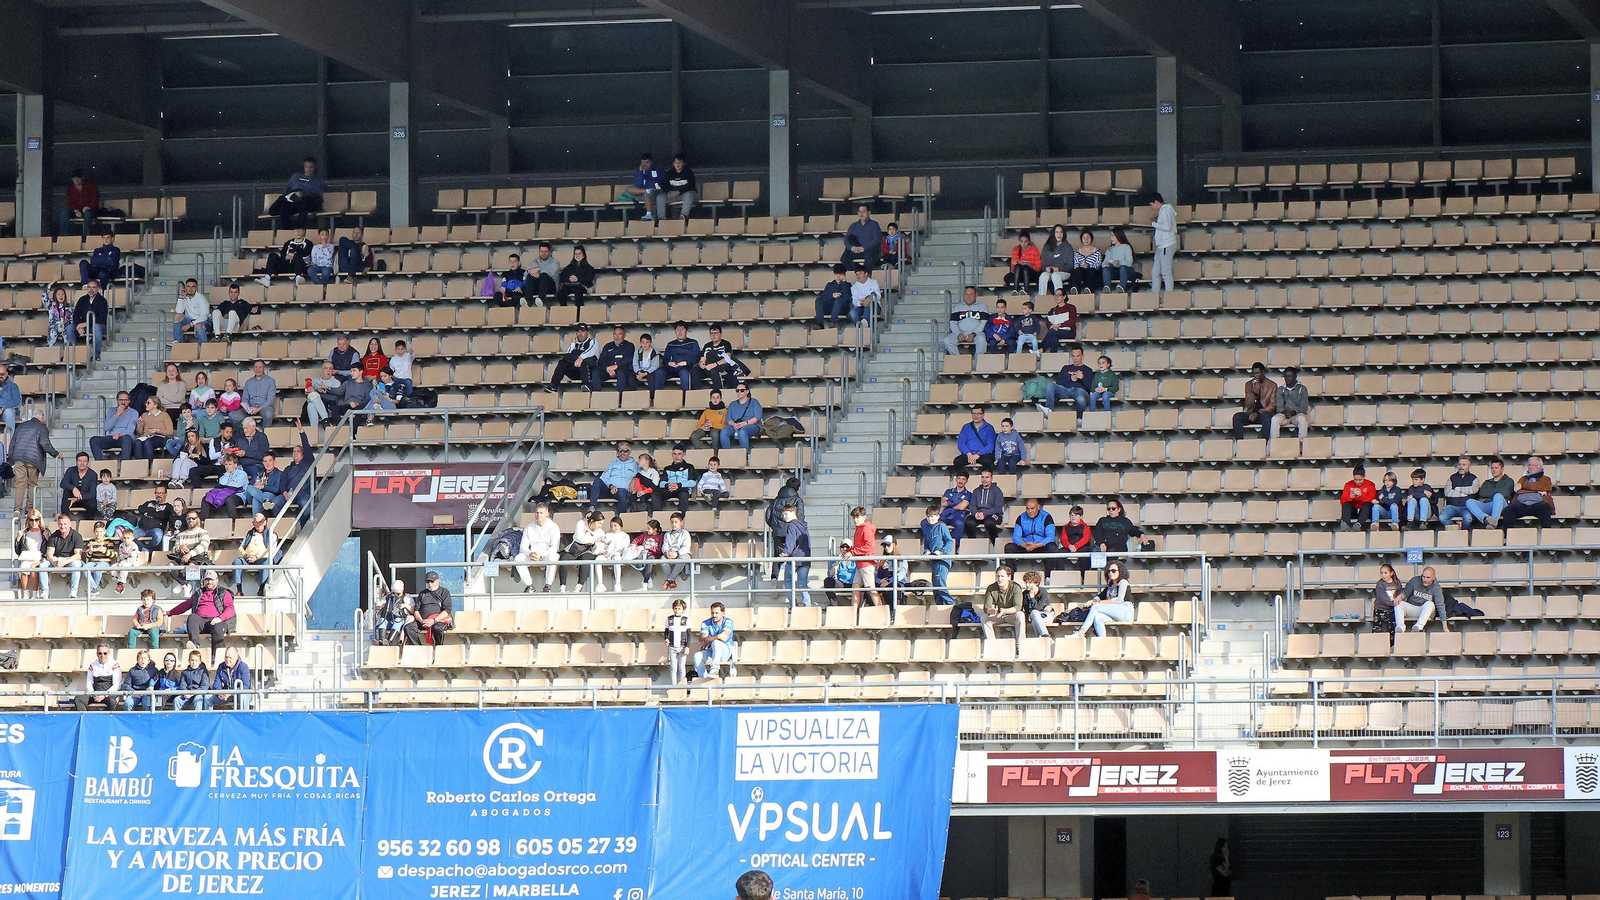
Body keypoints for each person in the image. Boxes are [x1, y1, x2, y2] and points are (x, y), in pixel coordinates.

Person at [167, 569, 236, 660]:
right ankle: (194, 644)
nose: (209, 582)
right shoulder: (199, 593)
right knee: (192, 617)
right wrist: (169, 613)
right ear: (204, 581)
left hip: (218, 621)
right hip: (202, 621)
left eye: (212, 579)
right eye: (207, 580)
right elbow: (185, 605)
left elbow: (230, 609)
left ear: (217, 580)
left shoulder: (224, 593)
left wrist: (220, 618)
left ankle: (216, 656)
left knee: (218, 627)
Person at [8, 409, 61, 515]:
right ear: (42, 417)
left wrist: (11, 459)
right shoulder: (41, 427)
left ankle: (17, 509)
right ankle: (29, 509)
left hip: (18, 458)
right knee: (31, 484)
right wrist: (55, 454)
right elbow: (45, 444)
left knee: (20, 483)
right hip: (33, 459)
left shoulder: (21, 426)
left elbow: (12, 443)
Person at [965, 565, 1024, 642]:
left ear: (1009, 577)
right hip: (997, 615)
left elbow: (1018, 607)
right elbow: (986, 608)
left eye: (1002, 576)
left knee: (1020, 615)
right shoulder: (991, 588)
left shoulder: (1016, 587)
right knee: (984, 618)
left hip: (1011, 615)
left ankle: (1021, 644)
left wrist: (1005, 611)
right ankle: (992, 644)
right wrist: (992, 611)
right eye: (998, 576)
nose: (1000, 579)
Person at [1077, 561, 1134, 637]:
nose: (1111, 573)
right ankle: (1103, 640)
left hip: (1125, 610)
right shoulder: (1110, 585)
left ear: (1120, 571)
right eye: (1109, 571)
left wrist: (1099, 603)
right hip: (1115, 612)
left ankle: (1081, 631)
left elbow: (1119, 600)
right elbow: (1100, 596)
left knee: (1096, 607)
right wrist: (1090, 601)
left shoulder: (1123, 582)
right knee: (1098, 617)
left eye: (1114, 571)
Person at [165, 510, 213, 598]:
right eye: (188, 518)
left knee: (192, 566)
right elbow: (174, 549)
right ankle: (185, 583)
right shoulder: (181, 535)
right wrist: (180, 547)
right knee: (170, 565)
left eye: (193, 518)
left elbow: (203, 546)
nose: (190, 520)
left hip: (199, 558)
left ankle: (186, 586)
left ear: (198, 519)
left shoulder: (203, 532)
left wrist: (189, 554)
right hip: (183, 558)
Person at [515, 503, 562, 592]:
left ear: (547, 513)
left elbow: (554, 547)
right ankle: (529, 586)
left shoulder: (553, 527)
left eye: (541, 513)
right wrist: (530, 553)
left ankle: (548, 586)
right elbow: (523, 546)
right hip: (533, 554)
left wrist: (541, 554)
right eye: (537, 513)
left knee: (554, 556)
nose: (539, 515)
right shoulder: (529, 527)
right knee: (518, 558)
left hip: (546, 553)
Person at [558, 509, 606, 593]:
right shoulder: (581, 524)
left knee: (586, 560)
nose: (600, 526)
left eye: (601, 524)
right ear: (592, 521)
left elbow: (600, 548)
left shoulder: (601, 532)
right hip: (575, 549)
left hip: (589, 551)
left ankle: (579, 587)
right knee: (564, 559)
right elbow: (578, 537)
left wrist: (593, 543)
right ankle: (562, 586)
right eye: (599, 523)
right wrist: (594, 540)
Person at [269, 156, 325, 228]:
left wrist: (302, 193)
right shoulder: (296, 176)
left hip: (307, 201)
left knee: (304, 204)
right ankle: (287, 230)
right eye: (306, 167)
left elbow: (317, 195)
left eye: (311, 167)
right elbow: (287, 188)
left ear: (315, 167)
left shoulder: (317, 181)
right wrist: (289, 195)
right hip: (293, 200)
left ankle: (299, 229)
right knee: (283, 206)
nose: (308, 169)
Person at [1005, 497, 1058, 573]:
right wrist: (1025, 545)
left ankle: (1048, 576)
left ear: (1038, 507)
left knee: (1052, 547)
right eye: (1027, 509)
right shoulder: (1021, 517)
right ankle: (1011, 576)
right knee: (1009, 547)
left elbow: (1050, 537)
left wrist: (1036, 545)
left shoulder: (1047, 517)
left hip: (1040, 546)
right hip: (1027, 546)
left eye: (1032, 508)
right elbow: (1016, 537)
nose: (1030, 511)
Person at [1502, 456, 1557, 528]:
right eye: (1529, 465)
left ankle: (1546, 534)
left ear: (1539, 467)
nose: (1530, 467)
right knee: (1508, 510)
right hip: (1522, 505)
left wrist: (1523, 486)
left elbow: (1541, 486)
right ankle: (1507, 536)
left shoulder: (1545, 479)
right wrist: (1536, 490)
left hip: (1537, 504)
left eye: (1533, 465)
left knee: (1545, 508)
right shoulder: (1523, 478)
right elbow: (1517, 489)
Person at [844, 506, 881, 612]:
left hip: (866, 563)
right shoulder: (861, 528)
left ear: (864, 517)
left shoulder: (865, 528)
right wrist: (849, 551)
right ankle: (854, 613)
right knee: (856, 587)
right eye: (854, 518)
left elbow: (870, 547)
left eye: (857, 517)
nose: (855, 520)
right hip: (860, 563)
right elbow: (862, 546)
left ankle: (881, 612)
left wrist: (852, 552)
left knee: (871, 588)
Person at [1039, 346, 1094, 415]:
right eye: (1073, 356)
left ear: (1082, 356)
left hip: (1079, 391)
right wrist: (1070, 379)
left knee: (1081, 400)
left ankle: (1080, 418)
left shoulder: (1088, 370)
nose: (1075, 358)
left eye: (1078, 356)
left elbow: (1090, 387)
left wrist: (1082, 378)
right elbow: (1059, 382)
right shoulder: (1066, 368)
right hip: (1065, 390)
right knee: (1050, 385)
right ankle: (1048, 409)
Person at [232, 513, 276, 595]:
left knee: (266, 563)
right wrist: (245, 555)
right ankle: (239, 590)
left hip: (261, 559)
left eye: (261, 522)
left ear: (265, 522)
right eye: (255, 522)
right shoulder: (249, 534)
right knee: (236, 562)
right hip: (247, 558)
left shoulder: (271, 534)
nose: (258, 525)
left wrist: (256, 557)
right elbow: (240, 548)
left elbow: (270, 549)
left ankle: (261, 589)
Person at [43, 512, 86, 598]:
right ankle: (45, 592)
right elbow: (49, 554)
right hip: (57, 559)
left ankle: (74, 592)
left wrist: (64, 562)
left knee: (77, 564)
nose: (62, 526)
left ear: (70, 524)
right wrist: (55, 562)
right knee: (42, 566)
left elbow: (78, 555)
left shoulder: (76, 536)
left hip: (71, 559)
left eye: (65, 524)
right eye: (60, 524)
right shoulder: (54, 536)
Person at [546, 324, 599, 393]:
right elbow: (567, 356)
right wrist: (573, 343)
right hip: (575, 371)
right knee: (563, 362)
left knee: (585, 360)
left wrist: (581, 358)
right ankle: (553, 385)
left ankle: (587, 385)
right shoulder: (575, 344)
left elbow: (591, 352)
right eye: (578, 331)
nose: (580, 334)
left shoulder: (593, 341)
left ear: (588, 332)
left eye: (583, 331)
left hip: (588, 371)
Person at [588, 442, 639, 512]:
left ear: (630, 452)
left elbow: (642, 475)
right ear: (617, 453)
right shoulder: (612, 464)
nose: (622, 453)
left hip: (624, 491)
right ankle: (592, 507)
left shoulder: (636, 465)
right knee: (597, 480)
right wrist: (611, 486)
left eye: (625, 451)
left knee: (622, 492)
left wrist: (634, 479)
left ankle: (621, 518)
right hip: (610, 489)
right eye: (620, 451)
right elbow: (604, 478)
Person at [405, 571, 453, 645]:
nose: (430, 584)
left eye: (432, 581)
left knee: (436, 628)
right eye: (428, 582)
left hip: (438, 621)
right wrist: (421, 621)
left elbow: (447, 610)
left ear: (438, 581)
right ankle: (420, 648)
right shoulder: (422, 593)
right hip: (424, 621)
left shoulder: (444, 592)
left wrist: (434, 620)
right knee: (408, 628)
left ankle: (438, 647)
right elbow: (416, 610)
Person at [1232, 362, 1277, 440]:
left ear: (1263, 372)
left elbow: (1272, 405)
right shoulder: (1249, 384)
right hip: (1251, 413)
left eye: (1257, 373)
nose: (1255, 375)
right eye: (1254, 373)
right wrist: (1254, 393)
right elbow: (1248, 404)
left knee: (1267, 417)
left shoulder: (1272, 385)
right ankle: (1240, 442)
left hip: (1263, 413)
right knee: (1237, 417)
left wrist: (1258, 412)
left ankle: (1264, 443)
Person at [920, 503, 955, 605]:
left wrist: (941, 551)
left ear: (938, 516)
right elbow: (927, 544)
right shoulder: (929, 530)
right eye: (928, 516)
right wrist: (926, 551)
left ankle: (952, 606)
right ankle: (939, 608)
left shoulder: (941, 526)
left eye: (933, 516)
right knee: (935, 587)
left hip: (942, 560)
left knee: (940, 584)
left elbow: (950, 542)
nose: (930, 519)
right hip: (934, 561)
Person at [1396, 565, 1448, 633]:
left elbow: (1440, 605)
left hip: (1425, 610)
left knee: (1430, 604)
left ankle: (1418, 627)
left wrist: (1445, 627)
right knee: (1398, 603)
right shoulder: (1415, 580)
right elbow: (1406, 592)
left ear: (1433, 578)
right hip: (1412, 607)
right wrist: (1400, 596)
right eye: (1423, 577)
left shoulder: (1437, 588)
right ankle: (1400, 628)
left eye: (1428, 577)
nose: (1425, 579)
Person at [89, 391, 138, 461]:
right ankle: (100, 463)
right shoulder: (111, 411)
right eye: (121, 400)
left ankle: (125, 464)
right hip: (112, 437)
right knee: (94, 440)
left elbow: (130, 429)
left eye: (125, 400)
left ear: (129, 401)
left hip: (124, 437)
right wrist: (117, 415)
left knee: (126, 438)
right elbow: (106, 427)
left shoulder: (134, 412)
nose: (123, 402)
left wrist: (120, 434)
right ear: (117, 401)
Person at [778, 502, 811, 606]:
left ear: (793, 513)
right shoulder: (803, 526)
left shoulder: (792, 526)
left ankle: (794, 605)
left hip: (793, 559)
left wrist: (786, 552)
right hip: (805, 559)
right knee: (802, 585)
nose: (784, 517)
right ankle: (807, 606)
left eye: (786, 514)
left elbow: (790, 541)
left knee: (788, 582)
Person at [1467, 457, 1514, 527]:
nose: (1494, 470)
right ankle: (1486, 518)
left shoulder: (1508, 481)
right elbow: (1482, 493)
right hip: (1488, 505)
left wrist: (1491, 493)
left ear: (1502, 469)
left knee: (1498, 496)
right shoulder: (1487, 482)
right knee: (1469, 501)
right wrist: (1497, 491)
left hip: (1502, 505)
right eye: (1492, 468)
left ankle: (1493, 522)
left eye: (1496, 468)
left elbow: (1505, 493)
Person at [697, 324, 745, 392]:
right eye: (712, 333)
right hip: (708, 367)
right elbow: (703, 358)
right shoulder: (707, 345)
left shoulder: (726, 344)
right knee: (695, 370)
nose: (713, 335)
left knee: (714, 371)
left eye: (716, 333)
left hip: (722, 366)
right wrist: (702, 363)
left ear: (721, 334)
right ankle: (696, 392)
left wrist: (715, 364)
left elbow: (728, 358)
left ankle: (718, 393)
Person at [74, 644, 122, 712]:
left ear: (109, 653)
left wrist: (104, 695)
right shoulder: (92, 665)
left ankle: (109, 721)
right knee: (78, 699)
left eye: (105, 653)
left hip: (108, 694)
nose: (102, 656)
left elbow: (117, 685)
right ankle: (85, 719)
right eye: (100, 653)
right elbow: (89, 683)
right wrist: (93, 694)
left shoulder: (115, 665)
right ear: (97, 654)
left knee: (112, 701)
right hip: (95, 693)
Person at [693, 602, 734, 680]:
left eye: (716, 613)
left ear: (723, 613)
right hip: (711, 651)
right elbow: (704, 640)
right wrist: (718, 636)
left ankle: (715, 669)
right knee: (697, 656)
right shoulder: (705, 623)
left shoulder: (728, 621)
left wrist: (710, 639)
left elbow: (724, 637)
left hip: (726, 651)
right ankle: (703, 679)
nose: (714, 615)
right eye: (712, 613)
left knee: (716, 642)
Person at [944, 286, 989, 356]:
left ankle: (976, 364)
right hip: (960, 333)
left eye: (971, 294)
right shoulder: (957, 307)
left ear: (976, 295)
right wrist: (958, 334)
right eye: (966, 294)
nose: (968, 296)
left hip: (977, 333)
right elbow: (952, 323)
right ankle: (960, 361)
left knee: (982, 340)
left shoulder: (982, 306)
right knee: (947, 340)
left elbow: (984, 323)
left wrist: (974, 334)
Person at [952, 406, 996, 475]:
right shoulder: (966, 427)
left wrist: (978, 454)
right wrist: (968, 453)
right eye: (974, 413)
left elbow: (990, 445)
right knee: (957, 461)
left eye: (978, 413)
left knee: (988, 461)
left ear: (983, 415)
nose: (976, 416)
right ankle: (963, 479)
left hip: (982, 454)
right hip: (969, 454)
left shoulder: (989, 428)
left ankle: (984, 482)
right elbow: (961, 443)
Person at [967, 469, 1006, 544]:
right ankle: (972, 544)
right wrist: (976, 513)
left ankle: (995, 543)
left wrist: (984, 513)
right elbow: (972, 506)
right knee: (969, 522)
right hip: (978, 514)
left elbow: (997, 508)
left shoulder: (997, 491)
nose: (984, 480)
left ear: (991, 478)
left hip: (992, 514)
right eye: (982, 477)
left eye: (987, 477)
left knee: (989, 522)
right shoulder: (976, 491)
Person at [73, 278, 110, 360]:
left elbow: (101, 319)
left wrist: (86, 324)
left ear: (98, 289)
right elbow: (75, 316)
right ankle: (72, 354)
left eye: (93, 287)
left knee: (96, 327)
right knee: (69, 328)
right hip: (83, 326)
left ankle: (96, 355)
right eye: (89, 287)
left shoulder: (102, 301)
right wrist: (78, 326)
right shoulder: (82, 300)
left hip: (98, 326)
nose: (91, 289)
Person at [1148, 193, 1177, 295]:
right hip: (1162, 246)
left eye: (1152, 204)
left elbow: (1167, 227)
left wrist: (1154, 224)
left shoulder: (1165, 210)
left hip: (1167, 244)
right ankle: (1154, 294)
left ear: (1156, 202)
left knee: (1165, 271)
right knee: (1155, 271)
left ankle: (1169, 294)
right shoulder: (1163, 211)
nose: (1152, 207)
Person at [1438, 457, 1478, 529]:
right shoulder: (1451, 478)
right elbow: (1447, 492)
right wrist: (1465, 493)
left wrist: (1456, 489)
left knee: (1468, 519)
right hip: (1451, 506)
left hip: (1466, 507)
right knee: (1442, 518)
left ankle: (1462, 532)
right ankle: (1456, 528)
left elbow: (1473, 490)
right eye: (1460, 464)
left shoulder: (1474, 478)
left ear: (1469, 466)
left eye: (1464, 464)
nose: (1461, 467)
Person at [659, 322, 700, 393]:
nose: (679, 332)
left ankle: (685, 397)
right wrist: (669, 363)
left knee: (684, 373)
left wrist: (686, 363)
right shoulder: (671, 344)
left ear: (686, 331)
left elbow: (696, 357)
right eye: (677, 330)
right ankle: (657, 396)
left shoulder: (693, 343)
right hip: (672, 368)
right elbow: (665, 359)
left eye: (682, 329)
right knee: (659, 372)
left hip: (685, 367)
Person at [593, 326, 636, 393]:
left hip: (622, 370)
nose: (617, 336)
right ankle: (596, 395)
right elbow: (602, 359)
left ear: (624, 335)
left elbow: (629, 359)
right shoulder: (608, 346)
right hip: (608, 371)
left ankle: (620, 398)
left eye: (619, 334)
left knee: (621, 372)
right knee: (596, 373)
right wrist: (607, 368)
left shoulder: (629, 345)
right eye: (615, 334)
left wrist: (617, 366)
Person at [14, 510, 46, 599]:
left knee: (33, 568)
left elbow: (48, 548)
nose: (34, 522)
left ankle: (35, 594)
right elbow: (17, 551)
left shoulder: (44, 532)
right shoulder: (25, 533)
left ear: (40, 520)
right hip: (27, 556)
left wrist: (47, 538)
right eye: (31, 520)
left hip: (40, 557)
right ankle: (26, 593)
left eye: (36, 519)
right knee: (24, 568)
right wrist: (18, 539)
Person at [625, 519, 665, 590]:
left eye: (649, 528)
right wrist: (634, 544)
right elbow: (637, 540)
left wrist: (650, 548)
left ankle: (645, 581)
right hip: (644, 554)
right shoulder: (645, 535)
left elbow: (659, 550)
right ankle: (648, 578)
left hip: (653, 555)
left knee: (650, 560)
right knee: (638, 561)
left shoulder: (660, 538)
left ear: (655, 529)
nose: (648, 530)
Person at [720, 383, 762, 450]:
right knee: (724, 431)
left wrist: (744, 423)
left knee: (742, 431)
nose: (739, 392)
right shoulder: (733, 404)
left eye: (742, 390)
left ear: (747, 391)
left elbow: (757, 417)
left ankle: (745, 455)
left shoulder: (754, 402)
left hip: (751, 425)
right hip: (735, 425)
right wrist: (733, 424)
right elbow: (728, 419)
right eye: (737, 390)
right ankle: (726, 454)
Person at [60, 168, 100, 237]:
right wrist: (75, 210)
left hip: (90, 210)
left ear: (82, 177)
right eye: (74, 178)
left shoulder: (90, 186)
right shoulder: (70, 189)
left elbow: (95, 198)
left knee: (87, 213)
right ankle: (64, 236)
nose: (76, 180)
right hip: (77, 211)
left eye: (78, 178)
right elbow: (69, 202)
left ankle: (86, 236)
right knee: (64, 213)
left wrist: (89, 206)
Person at [210, 645, 252, 711]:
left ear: (236, 657)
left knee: (243, 696)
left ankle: (244, 719)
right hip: (225, 695)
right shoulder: (221, 667)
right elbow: (216, 684)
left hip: (239, 694)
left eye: (230, 657)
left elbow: (246, 686)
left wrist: (230, 693)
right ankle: (209, 719)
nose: (227, 660)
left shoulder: (244, 667)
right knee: (207, 697)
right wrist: (221, 693)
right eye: (226, 657)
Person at [238, 359, 278, 428]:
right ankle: (240, 436)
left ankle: (264, 436)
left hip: (265, 407)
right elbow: (244, 399)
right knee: (234, 416)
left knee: (268, 415)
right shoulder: (248, 382)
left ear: (264, 368)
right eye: (256, 367)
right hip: (250, 407)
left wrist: (259, 409)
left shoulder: (271, 381)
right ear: (253, 369)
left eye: (260, 367)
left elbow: (270, 400)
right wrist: (247, 408)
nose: (258, 369)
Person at [842, 204, 883, 272]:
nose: (861, 214)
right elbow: (846, 239)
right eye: (860, 211)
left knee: (871, 259)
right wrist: (851, 248)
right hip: (856, 249)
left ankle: (865, 275)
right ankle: (859, 271)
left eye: (864, 211)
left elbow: (876, 240)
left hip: (869, 250)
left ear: (869, 213)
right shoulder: (853, 226)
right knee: (844, 259)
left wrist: (864, 248)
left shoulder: (874, 225)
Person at [595, 516, 631, 593]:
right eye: (611, 526)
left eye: (615, 526)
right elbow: (602, 545)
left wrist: (617, 553)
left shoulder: (625, 536)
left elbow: (624, 547)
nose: (613, 528)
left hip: (618, 555)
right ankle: (600, 584)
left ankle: (617, 584)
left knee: (616, 559)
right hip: (608, 555)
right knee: (597, 560)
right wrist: (604, 552)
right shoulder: (607, 535)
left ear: (620, 525)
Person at [555, 245, 596, 310]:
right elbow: (562, 277)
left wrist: (578, 279)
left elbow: (589, 279)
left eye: (579, 254)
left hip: (581, 286)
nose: (577, 255)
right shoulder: (569, 267)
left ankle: (578, 314)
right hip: (569, 286)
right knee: (560, 293)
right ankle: (564, 310)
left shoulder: (589, 268)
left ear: (583, 255)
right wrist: (570, 279)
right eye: (576, 254)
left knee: (579, 293)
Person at [372, 580, 412, 645]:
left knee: (398, 620)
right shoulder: (388, 597)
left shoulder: (407, 597)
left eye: (398, 593)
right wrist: (383, 606)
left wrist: (405, 605)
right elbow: (375, 606)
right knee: (382, 619)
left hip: (400, 619)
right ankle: (381, 640)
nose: (395, 595)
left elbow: (413, 610)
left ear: (402, 590)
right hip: (388, 619)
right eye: (394, 593)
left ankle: (389, 641)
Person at [660, 445, 698, 514]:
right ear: (672, 455)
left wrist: (679, 485)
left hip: (683, 489)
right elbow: (661, 483)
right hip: (670, 489)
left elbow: (693, 482)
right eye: (675, 454)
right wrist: (668, 485)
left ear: (683, 454)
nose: (677, 456)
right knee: (655, 493)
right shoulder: (667, 468)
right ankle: (658, 515)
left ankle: (680, 518)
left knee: (684, 495)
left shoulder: (689, 467)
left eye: (679, 454)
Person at [132, 397, 173, 461]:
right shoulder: (144, 415)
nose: (146, 404)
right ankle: (140, 465)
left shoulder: (164, 415)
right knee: (137, 442)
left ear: (155, 405)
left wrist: (157, 430)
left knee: (147, 442)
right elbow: (139, 432)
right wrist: (140, 424)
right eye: (146, 402)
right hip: (145, 436)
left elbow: (170, 431)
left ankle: (149, 466)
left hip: (159, 437)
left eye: (148, 403)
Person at [83, 518, 116, 595]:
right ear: (94, 532)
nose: (99, 534)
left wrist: (104, 551)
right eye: (97, 532)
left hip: (104, 562)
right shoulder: (91, 541)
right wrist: (90, 551)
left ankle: (93, 588)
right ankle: (94, 587)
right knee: (84, 568)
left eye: (101, 532)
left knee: (98, 568)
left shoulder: (108, 541)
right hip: (93, 561)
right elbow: (87, 556)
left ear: (105, 532)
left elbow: (112, 555)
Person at [1039, 287, 1079, 352]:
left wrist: (1059, 325)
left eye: (1059, 295)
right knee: (1054, 338)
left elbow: (1072, 321)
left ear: (1064, 296)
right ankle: (1053, 355)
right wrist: (1051, 326)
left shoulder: (1071, 307)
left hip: (1069, 332)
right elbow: (1047, 321)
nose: (1056, 297)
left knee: (1052, 332)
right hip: (1056, 331)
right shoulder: (1053, 310)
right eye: (1055, 295)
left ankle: (1041, 349)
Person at [1370, 563, 1405, 635]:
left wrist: (1398, 600)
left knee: (1392, 627)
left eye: (1385, 573)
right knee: (1377, 627)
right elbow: (1383, 598)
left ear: (1391, 573)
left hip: (1392, 609)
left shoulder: (1397, 583)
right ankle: (1374, 642)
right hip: (1380, 608)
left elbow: (1400, 593)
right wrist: (1394, 603)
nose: (1383, 575)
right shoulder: (1380, 584)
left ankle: (1392, 644)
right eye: (1381, 573)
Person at [663, 598, 692, 684]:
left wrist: (687, 646)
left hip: (682, 646)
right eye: (675, 608)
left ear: (683, 610)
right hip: (672, 647)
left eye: (679, 608)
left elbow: (689, 634)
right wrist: (666, 638)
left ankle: (682, 684)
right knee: (673, 667)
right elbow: (666, 632)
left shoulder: (686, 620)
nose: (677, 610)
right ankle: (673, 685)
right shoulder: (669, 619)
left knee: (682, 667)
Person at [172, 278, 209, 344]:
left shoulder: (201, 298)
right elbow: (179, 311)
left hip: (203, 322)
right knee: (177, 316)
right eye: (188, 286)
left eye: (193, 287)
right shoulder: (185, 297)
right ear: (186, 287)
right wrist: (181, 297)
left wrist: (190, 325)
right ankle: (177, 341)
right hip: (189, 320)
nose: (190, 289)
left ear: (196, 288)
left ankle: (204, 347)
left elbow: (204, 317)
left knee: (198, 325)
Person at [814, 264, 852, 329]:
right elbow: (823, 297)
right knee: (818, 300)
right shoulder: (830, 285)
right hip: (830, 307)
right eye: (836, 274)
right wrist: (832, 296)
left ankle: (833, 321)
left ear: (844, 275)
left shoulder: (847, 285)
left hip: (842, 308)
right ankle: (820, 323)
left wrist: (844, 283)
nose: (838, 277)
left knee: (838, 299)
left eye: (840, 274)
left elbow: (847, 297)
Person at [661, 153, 697, 221]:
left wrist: (678, 192)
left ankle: (683, 216)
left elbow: (691, 186)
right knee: (660, 197)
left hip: (684, 196)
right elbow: (664, 185)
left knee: (689, 194)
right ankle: (661, 218)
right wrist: (668, 192)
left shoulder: (688, 173)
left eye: (679, 162)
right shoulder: (670, 173)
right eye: (676, 162)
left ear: (684, 164)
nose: (677, 164)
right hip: (673, 197)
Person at [662, 511, 692, 590]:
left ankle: (669, 580)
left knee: (683, 559)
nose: (674, 524)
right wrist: (666, 553)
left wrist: (677, 553)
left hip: (683, 554)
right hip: (670, 554)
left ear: (681, 523)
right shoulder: (667, 534)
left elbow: (686, 547)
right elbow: (665, 546)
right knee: (662, 559)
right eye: (672, 522)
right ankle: (672, 580)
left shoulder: (685, 533)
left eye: (676, 522)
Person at [1339, 465, 1376, 529]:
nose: (1357, 482)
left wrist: (1361, 495)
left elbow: (1372, 500)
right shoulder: (1348, 484)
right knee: (1346, 503)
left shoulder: (1370, 485)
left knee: (1367, 504)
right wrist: (1350, 497)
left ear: (1364, 477)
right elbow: (1342, 500)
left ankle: (1359, 524)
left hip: (1365, 512)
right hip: (1354, 510)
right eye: (1355, 480)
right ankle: (1346, 524)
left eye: (1360, 480)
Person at [1067, 230, 1103, 295]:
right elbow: (1076, 265)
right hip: (1081, 271)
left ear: (1091, 238)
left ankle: (1088, 289)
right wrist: (1082, 266)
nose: (1086, 239)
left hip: (1092, 271)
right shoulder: (1077, 252)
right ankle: (1075, 289)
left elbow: (1098, 264)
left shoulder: (1097, 251)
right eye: (1084, 238)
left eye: (1088, 237)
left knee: (1091, 271)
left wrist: (1088, 265)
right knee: (1078, 271)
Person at [1037, 224, 1070, 296]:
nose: (1059, 234)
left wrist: (1059, 268)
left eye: (1061, 232)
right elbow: (1043, 263)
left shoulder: (1068, 247)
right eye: (1057, 232)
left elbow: (1070, 266)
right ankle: (1041, 298)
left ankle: (1060, 298)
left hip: (1063, 272)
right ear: (1053, 234)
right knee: (1043, 275)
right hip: (1050, 272)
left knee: (1055, 275)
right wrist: (1046, 268)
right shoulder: (1047, 247)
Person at [60, 451, 96, 517]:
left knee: (92, 503)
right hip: (71, 497)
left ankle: (88, 523)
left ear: (88, 462)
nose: (82, 463)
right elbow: (63, 483)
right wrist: (73, 488)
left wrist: (77, 499)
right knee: (66, 492)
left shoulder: (92, 474)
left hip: (84, 499)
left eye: (84, 461)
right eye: (80, 461)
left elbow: (92, 494)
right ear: (76, 462)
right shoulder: (70, 470)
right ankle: (64, 521)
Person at [1020, 570, 1055, 637]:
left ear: (1036, 583)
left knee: (1034, 617)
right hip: (1034, 616)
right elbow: (1027, 610)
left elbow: (1037, 608)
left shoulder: (1043, 592)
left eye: (1030, 583)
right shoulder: (1025, 594)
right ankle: (1045, 637)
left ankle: (1044, 636)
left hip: (1046, 615)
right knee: (1034, 615)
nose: (1027, 585)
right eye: (1026, 583)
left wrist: (1032, 597)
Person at [939, 472, 972, 541]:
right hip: (946, 514)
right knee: (931, 523)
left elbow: (962, 507)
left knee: (960, 524)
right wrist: (956, 503)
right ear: (956, 479)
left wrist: (950, 503)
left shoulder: (968, 494)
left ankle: (955, 547)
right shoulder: (949, 491)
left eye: (963, 479)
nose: (960, 481)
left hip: (958, 516)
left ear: (966, 481)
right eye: (959, 478)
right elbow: (943, 503)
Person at [43, 282, 76, 350]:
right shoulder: (51, 305)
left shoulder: (69, 308)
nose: (61, 296)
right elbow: (44, 296)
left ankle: (68, 353)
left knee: (68, 333)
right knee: (52, 333)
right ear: (55, 296)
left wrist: (67, 321)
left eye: (62, 294)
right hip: (54, 326)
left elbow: (72, 320)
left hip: (65, 326)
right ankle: (48, 351)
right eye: (58, 294)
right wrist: (50, 284)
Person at [1102, 227, 1136, 292]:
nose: (1111, 238)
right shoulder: (1110, 249)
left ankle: (1122, 287)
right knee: (1105, 268)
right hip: (1115, 270)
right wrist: (1107, 263)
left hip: (1126, 270)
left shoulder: (1126, 247)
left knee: (1123, 268)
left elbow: (1129, 262)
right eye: (1111, 236)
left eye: (1113, 236)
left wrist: (1119, 262)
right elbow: (1104, 263)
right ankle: (1107, 287)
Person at [632, 152, 664, 220]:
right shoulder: (639, 172)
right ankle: (647, 190)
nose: (645, 164)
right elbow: (638, 185)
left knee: (647, 194)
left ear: (651, 162)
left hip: (655, 193)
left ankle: (649, 214)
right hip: (641, 193)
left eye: (647, 162)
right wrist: (641, 172)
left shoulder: (657, 170)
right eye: (643, 162)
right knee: (630, 189)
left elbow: (664, 182)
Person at [1060, 505, 1092, 571]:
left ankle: (1084, 576)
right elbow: (1063, 539)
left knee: (1084, 557)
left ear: (1081, 517)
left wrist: (1076, 546)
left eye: (1076, 515)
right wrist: (1069, 546)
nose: (1073, 517)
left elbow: (1086, 538)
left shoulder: (1085, 526)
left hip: (1082, 547)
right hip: (1069, 547)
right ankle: (1060, 573)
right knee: (1058, 555)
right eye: (1071, 515)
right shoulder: (1065, 527)